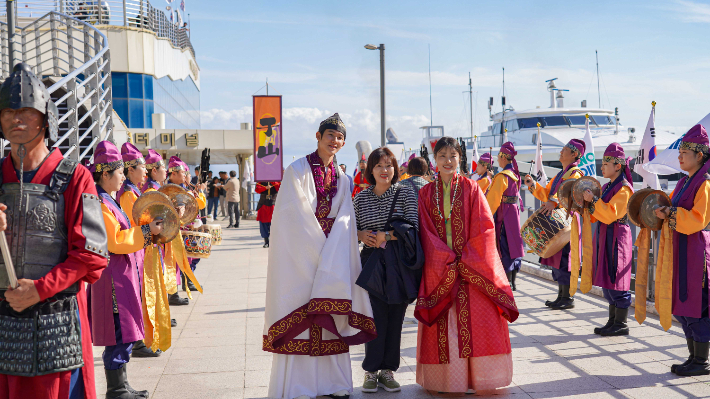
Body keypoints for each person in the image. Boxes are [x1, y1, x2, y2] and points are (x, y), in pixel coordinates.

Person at [0, 62, 108, 399]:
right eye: (8, 111)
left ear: (45, 117)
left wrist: (41, 289)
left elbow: (91, 254)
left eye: (26, 111)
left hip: (56, 320)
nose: (16, 119)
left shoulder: (76, 177)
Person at [264, 113, 376, 399]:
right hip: (301, 257)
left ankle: (332, 383)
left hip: (333, 254)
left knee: (332, 318)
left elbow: (345, 219)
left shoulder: (343, 177)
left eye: (340, 138)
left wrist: (335, 250)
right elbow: (291, 216)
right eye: (331, 136)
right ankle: (299, 386)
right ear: (318, 136)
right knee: (302, 315)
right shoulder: (297, 170)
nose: (335, 141)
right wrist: (319, 247)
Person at [415, 137, 518, 393]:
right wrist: (445, 259)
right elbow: (425, 231)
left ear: (460, 159)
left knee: (477, 322)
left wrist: (466, 260)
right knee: (445, 323)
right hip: (440, 267)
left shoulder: (472, 189)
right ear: (434, 161)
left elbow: (485, 228)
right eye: (442, 156)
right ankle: (447, 381)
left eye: (453, 156)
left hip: (471, 268)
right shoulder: (426, 193)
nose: (448, 161)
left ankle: (478, 379)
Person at [90, 141, 165, 399]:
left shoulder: (109, 200)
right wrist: (146, 231)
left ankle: (120, 386)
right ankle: (116, 389)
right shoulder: (101, 204)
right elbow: (115, 241)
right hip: (113, 279)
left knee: (124, 331)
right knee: (119, 332)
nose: (123, 176)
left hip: (120, 275)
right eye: (119, 172)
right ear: (104, 174)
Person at [354, 147, 420, 393]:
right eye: (379, 166)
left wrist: (388, 235)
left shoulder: (405, 193)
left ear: (396, 168)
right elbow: (351, 228)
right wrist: (361, 234)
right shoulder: (360, 198)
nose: (385, 170)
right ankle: (371, 371)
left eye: (389, 165)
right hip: (371, 261)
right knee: (373, 318)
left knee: (396, 318)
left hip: (398, 262)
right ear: (371, 169)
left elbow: (414, 229)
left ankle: (388, 371)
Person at [655, 124, 710, 376]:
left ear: (699, 155)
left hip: (696, 249)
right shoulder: (686, 181)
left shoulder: (704, 183)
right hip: (680, 246)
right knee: (683, 303)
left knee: (696, 304)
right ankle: (692, 357)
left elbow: (699, 219)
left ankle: (701, 361)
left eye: (684, 152)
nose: (680, 156)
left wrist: (671, 213)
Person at [524, 139, 585, 310]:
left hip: (567, 221)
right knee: (558, 258)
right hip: (559, 220)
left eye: (564, 149)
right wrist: (533, 185)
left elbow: (570, 193)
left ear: (574, 154)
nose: (561, 152)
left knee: (565, 258)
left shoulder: (576, 174)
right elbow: (547, 194)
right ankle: (562, 296)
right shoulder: (561, 174)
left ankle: (567, 297)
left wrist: (555, 203)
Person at [581, 143, 634, 336]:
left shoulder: (624, 189)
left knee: (616, 276)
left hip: (617, 235)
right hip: (606, 233)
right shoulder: (607, 186)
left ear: (618, 165)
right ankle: (613, 321)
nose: (601, 167)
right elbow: (599, 214)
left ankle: (621, 323)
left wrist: (593, 201)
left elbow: (611, 214)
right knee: (607, 279)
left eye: (605, 163)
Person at [166, 157, 206, 305]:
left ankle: (179, 289)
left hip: (181, 229)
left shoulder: (182, 188)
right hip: (173, 231)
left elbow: (199, 205)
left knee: (184, 260)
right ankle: (173, 293)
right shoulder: (168, 189)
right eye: (183, 172)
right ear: (174, 173)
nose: (185, 175)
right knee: (173, 263)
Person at [486, 142, 525, 291]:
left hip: (504, 215)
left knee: (504, 244)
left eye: (498, 156)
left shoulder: (502, 176)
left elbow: (492, 201)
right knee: (514, 244)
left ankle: (506, 283)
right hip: (514, 214)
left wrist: (485, 215)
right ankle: (513, 282)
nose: (497, 160)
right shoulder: (515, 174)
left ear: (503, 157)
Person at [255, 181, 281, 248]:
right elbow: (257, 190)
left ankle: (273, 241)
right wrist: (265, 188)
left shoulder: (277, 181)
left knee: (274, 224)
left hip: (273, 205)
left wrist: (272, 182)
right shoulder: (261, 181)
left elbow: (280, 189)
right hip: (263, 205)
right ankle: (266, 241)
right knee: (263, 224)